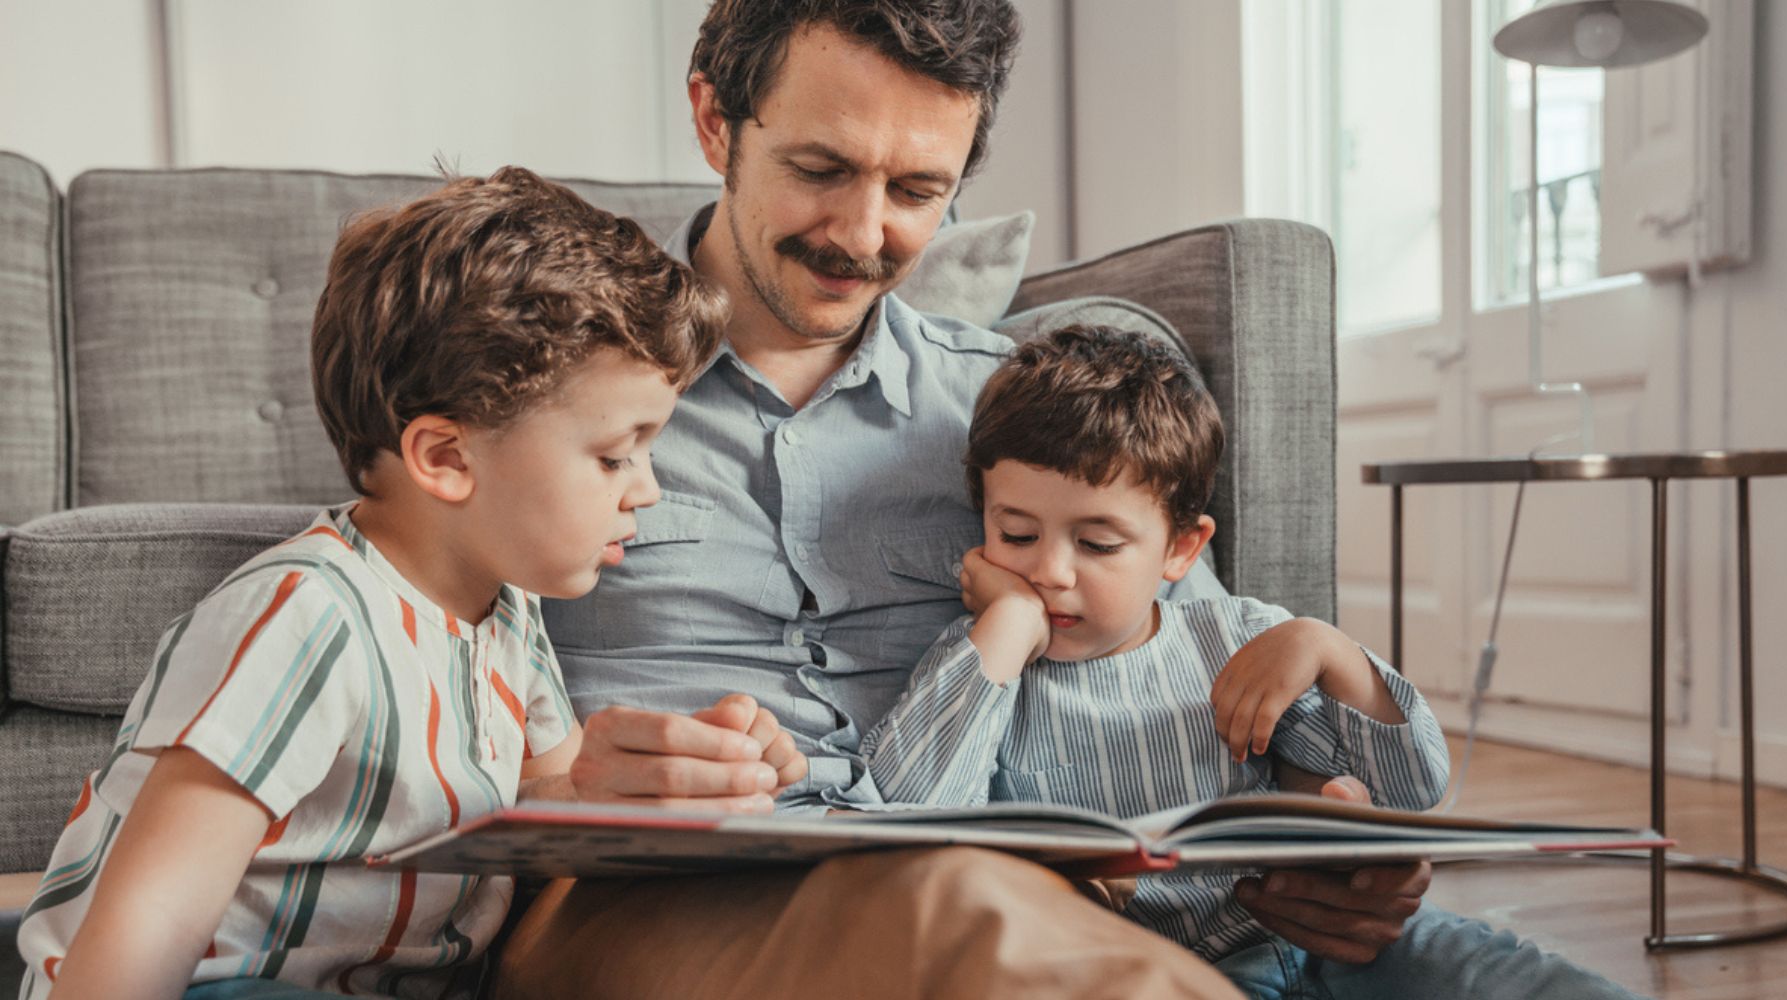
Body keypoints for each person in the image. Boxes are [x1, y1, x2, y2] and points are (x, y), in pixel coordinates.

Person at [501, 2, 1648, 999]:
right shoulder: (541, 396)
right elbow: (394, 666)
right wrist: (550, 775)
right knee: (970, 916)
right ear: (715, 121)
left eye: (918, 191)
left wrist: (1328, 830)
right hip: (661, 897)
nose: (863, 236)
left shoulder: (1006, 420)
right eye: (820, 169)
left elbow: (1185, 646)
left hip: (1065, 902)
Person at [12, 166, 766, 999]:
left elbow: (542, 799)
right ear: (446, 459)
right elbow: (142, 934)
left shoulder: (507, 609)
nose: (648, 488)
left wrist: (652, 782)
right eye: (615, 454)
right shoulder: (306, 618)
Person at [861, 324, 1458, 997]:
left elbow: (1415, 791)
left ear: (1180, 549)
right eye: (1017, 534)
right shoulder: (983, 665)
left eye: (1097, 544)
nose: (1051, 572)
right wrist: (1010, 621)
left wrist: (1329, 651)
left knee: (1495, 969)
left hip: (1290, 949)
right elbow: (902, 819)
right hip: (1112, 972)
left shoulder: (1242, 637)